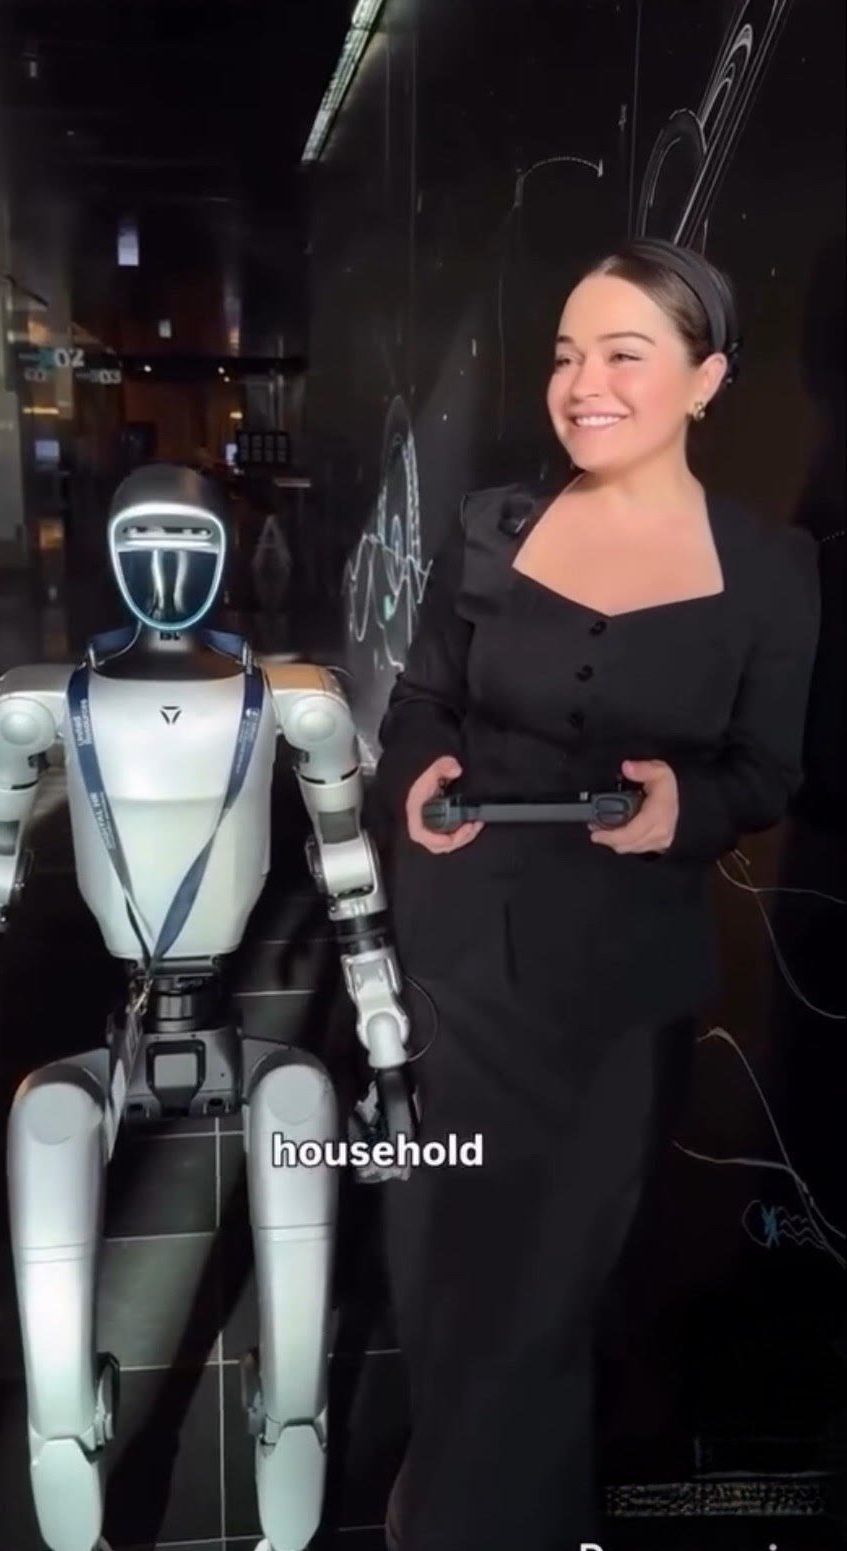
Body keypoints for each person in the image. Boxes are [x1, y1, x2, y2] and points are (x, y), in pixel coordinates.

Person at [372, 239, 821, 1551]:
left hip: (620, 995)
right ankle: (454, 1513)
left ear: (707, 376)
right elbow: (418, 706)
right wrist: (417, 782)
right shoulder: (491, 530)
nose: (584, 383)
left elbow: (768, 769)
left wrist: (697, 803)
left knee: (545, 1305)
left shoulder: (771, 571)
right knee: (444, 1281)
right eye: (569, 354)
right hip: (461, 968)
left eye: (624, 352)